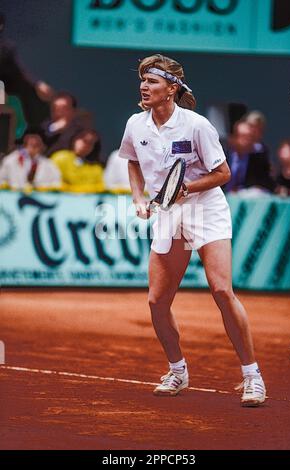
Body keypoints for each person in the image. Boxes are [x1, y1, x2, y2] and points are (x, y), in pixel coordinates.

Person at [119, 54, 266, 406]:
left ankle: (252, 377)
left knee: (221, 290)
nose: (144, 86)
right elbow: (133, 163)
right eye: (142, 81)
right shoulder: (135, 125)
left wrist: (187, 189)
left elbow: (223, 174)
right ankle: (178, 370)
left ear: (172, 89)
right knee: (157, 301)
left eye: (152, 81)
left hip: (206, 210)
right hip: (168, 214)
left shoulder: (197, 125)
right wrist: (139, 198)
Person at [223, 121, 275, 194]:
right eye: (244, 136)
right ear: (234, 138)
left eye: (250, 137)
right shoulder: (222, 157)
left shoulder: (259, 160)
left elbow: (267, 184)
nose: (248, 140)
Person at [41, 92, 93, 156]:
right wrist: (55, 129)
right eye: (55, 108)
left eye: (64, 108)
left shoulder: (79, 130)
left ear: (73, 111)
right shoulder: (44, 126)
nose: (59, 112)